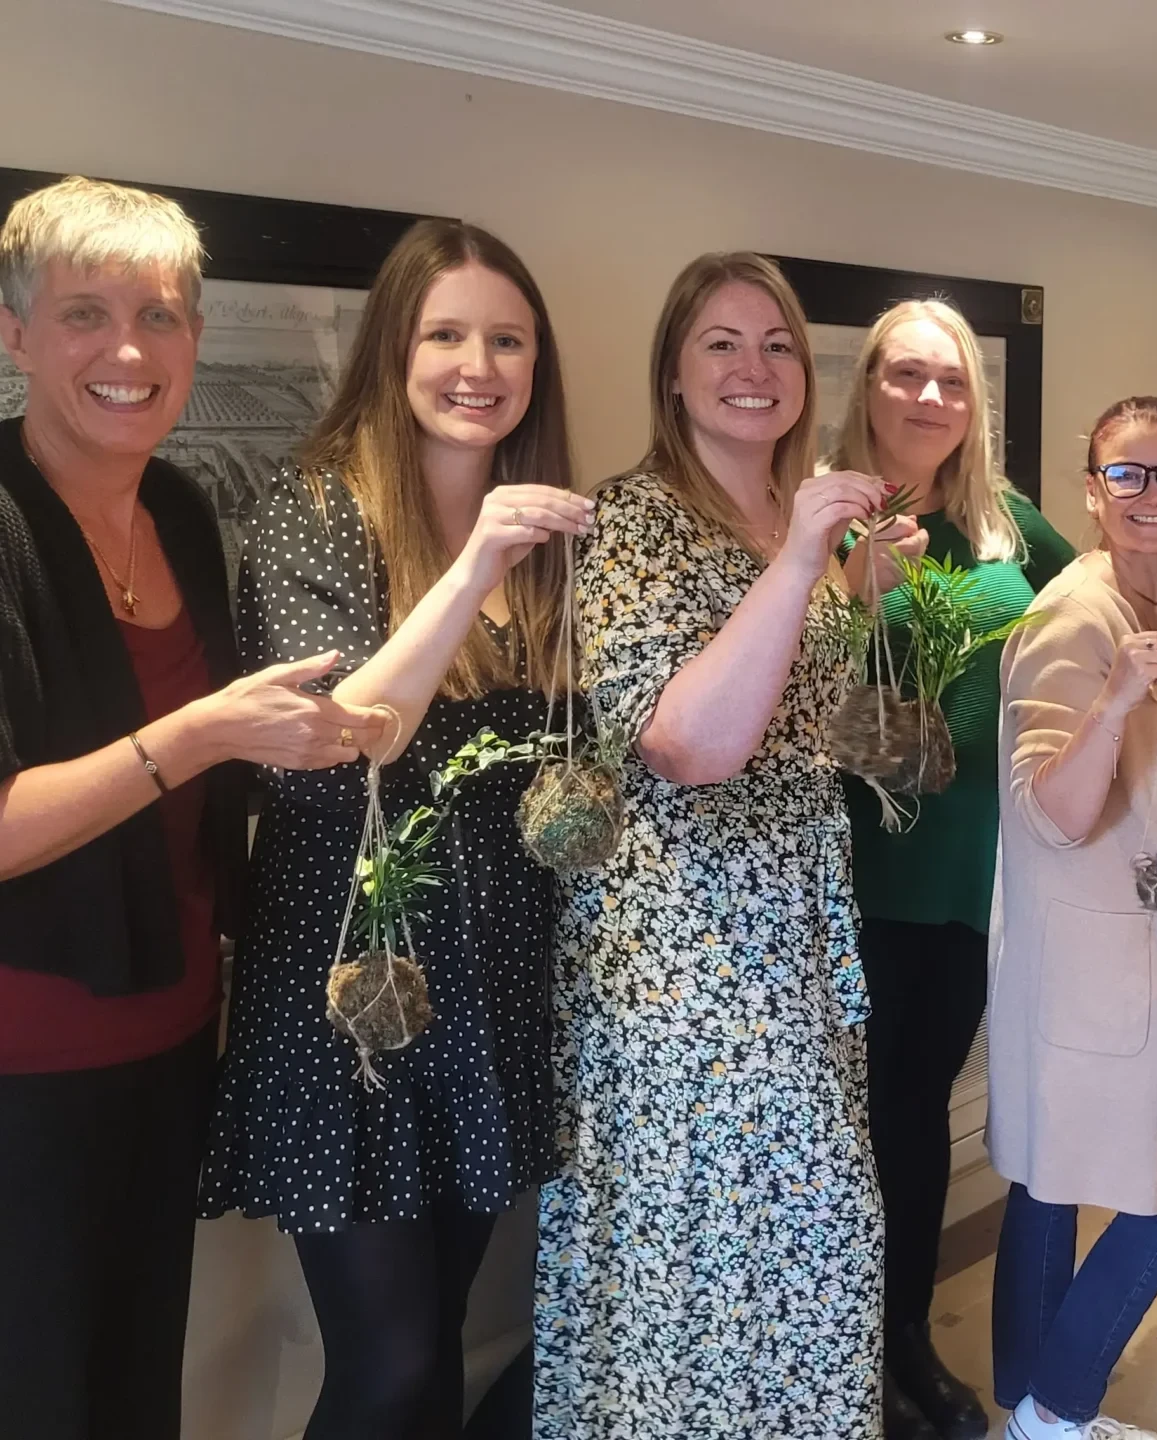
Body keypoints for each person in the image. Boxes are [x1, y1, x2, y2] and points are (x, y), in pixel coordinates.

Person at [0, 176, 378, 1439]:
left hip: (168, 1039)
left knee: (132, 1387)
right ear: (14, 337)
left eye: (161, 318)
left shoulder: (178, 508)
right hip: (24, 1065)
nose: (127, 350)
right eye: (84, 315)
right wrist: (203, 732)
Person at [196, 219, 584, 1438]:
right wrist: (473, 560)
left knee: (450, 1338)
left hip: (491, 995)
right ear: (392, 349)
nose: (481, 364)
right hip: (354, 1000)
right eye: (447, 333)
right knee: (392, 1368)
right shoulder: (318, 508)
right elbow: (329, 755)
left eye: (508, 339)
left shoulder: (548, 552)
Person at [533, 252, 887, 1439]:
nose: (754, 368)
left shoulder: (792, 521)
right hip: (684, 964)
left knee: (807, 1270)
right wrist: (798, 565)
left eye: (778, 343)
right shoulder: (632, 520)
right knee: (706, 1285)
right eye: (722, 345)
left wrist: (845, 583)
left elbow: (803, 719)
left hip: (795, 946)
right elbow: (689, 745)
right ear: (674, 377)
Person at [826, 298, 1076, 1440]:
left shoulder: (1007, 525)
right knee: (849, 1121)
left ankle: (904, 1336)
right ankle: (835, 1340)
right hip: (848, 879)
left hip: (973, 881)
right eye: (905, 376)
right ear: (868, 384)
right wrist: (845, 590)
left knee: (918, 1114)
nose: (928, 400)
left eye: (952, 382)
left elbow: (1105, 596)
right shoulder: (821, 513)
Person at [989, 397, 1157, 1440]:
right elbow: (1051, 811)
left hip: (1136, 933)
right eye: (1127, 475)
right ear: (1092, 490)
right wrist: (1118, 697)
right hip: (1096, 962)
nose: (1151, 496)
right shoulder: (1073, 619)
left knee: (1049, 1182)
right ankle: (1056, 1407)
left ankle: (1026, 1414)